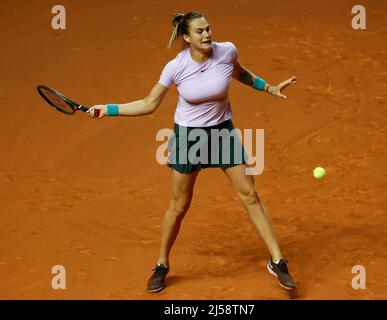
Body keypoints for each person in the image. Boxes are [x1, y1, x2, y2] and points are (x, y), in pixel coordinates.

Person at [87, 11, 297, 293]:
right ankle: (162, 264)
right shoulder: (175, 67)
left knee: (250, 194)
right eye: (199, 32)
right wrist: (108, 109)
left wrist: (268, 87)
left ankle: (277, 260)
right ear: (186, 37)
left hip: (222, 131)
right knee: (179, 206)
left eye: (208, 29)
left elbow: (240, 73)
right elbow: (149, 103)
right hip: (189, 138)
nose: (207, 34)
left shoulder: (227, 51)